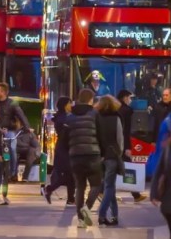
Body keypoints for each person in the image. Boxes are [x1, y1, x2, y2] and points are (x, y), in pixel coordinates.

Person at [61, 88, 103, 229]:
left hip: (75, 156)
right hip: (92, 155)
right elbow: (100, 134)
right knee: (96, 185)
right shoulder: (95, 114)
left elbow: (64, 139)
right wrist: (101, 152)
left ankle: (80, 220)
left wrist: (71, 151)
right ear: (91, 99)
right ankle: (87, 207)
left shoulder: (70, 116)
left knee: (80, 187)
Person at [96, 95, 123, 226]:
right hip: (112, 155)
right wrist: (119, 153)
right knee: (110, 186)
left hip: (99, 156)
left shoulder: (96, 118)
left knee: (109, 186)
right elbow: (120, 139)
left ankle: (115, 216)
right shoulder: (116, 119)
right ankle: (101, 214)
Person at [43, 97, 75, 205]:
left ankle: (71, 198)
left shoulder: (61, 117)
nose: (72, 105)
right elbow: (65, 134)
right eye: (70, 103)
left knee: (70, 174)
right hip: (65, 148)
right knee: (68, 173)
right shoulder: (64, 118)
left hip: (63, 147)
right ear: (66, 105)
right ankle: (50, 189)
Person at [116, 90, 147, 202]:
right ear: (125, 98)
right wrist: (128, 147)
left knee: (115, 167)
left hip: (115, 143)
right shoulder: (127, 111)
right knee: (127, 166)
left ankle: (136, 195)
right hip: (123, 143)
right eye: (129, 98)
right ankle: (136, 195)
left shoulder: (115, 109)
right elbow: (127, 130)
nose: (130, 100)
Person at [12, 117, 40, 182]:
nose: (17, 124)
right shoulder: (12, 133)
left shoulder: (29, 133)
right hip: (17, 150)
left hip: (27, 151)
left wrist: (36, 152)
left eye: (18, 123)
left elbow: (36, 145)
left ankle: (25, 177)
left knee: (32, 151)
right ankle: (13, 175)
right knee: (14, 152)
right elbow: (15, 142)